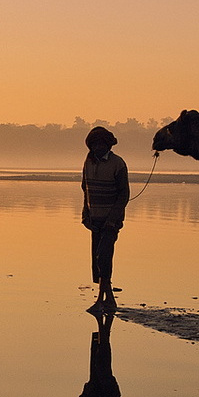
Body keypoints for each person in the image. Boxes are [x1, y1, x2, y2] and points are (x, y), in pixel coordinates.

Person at [81, 126, 130, 311]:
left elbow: (124, 194)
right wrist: (85, 214)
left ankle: (106, 299)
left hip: (111, 220)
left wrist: (112, 219)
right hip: (95, 219)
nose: (96, 148)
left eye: (100, 144)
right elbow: (85, 189)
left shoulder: (118, 164)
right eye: (93, 145)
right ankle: (105, 299)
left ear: (107, 145)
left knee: (104, 256)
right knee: (97, 259)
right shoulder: (88, 162)